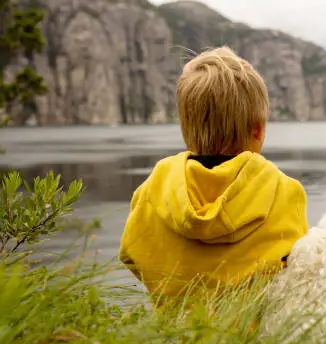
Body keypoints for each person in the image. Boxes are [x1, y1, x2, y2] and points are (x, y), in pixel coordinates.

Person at [119, 46, 309, 306]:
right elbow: (297, 264)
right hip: (258, 339)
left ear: (185, 128)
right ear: (258, 130)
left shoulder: (155, 187)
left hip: (176, 335)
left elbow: (131, 253)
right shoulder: (285, 191)